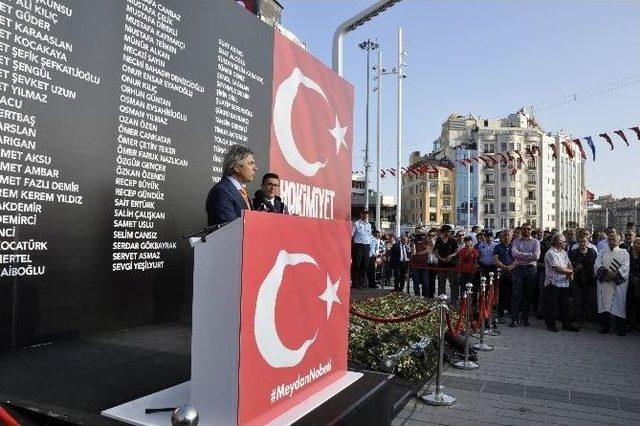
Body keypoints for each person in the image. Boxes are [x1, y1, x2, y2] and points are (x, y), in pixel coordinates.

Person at [206, 144, 257, 226]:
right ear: (236, 167)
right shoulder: (221, 192)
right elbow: (230, 229)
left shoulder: (240, 191)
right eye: (251, 163)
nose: (255, 168)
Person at [595, 233, 630, 336]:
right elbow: (597, 265)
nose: (611, 242)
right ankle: (605, 326)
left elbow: (625, 267)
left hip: (618, 284)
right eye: (609, 240)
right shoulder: (601, 252)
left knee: (619, 304)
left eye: (614, 240)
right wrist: (605, 275)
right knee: (604, 303)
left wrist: (615, 275)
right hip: (604, 282)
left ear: (619, 241)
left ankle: (620, 328)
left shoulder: (624, 253)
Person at [543, 234, 579, 332]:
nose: (565, 243)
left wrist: (571, 272)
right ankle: (551, 324)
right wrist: (571, 272)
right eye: (563, 241)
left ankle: (566, 324)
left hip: (564, 283)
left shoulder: (564, 252)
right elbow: (558, 268)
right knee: (552, 306)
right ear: (557, 242)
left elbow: (569, 264)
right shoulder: (550, 253)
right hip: (553, 283)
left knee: (566, 305)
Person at [510, 223, 540, 327]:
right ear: (521, 230)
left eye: (528, 229)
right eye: (524, 229)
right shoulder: (516, 241)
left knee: (528, 295)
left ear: (531, 230)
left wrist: (521, 255)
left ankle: (525, 318)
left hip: (531, 270)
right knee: (516, 295)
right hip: (518, 269)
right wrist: (528, 255)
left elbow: (536, 256)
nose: (526, 231)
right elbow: (514, 254)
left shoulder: (536, 242)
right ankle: (514, 318)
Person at [569, 234, 598, 324]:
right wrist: (574, 269)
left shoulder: (592, 252)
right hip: (578, 280)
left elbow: (597, 265)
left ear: (587, 242)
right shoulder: (573, 253)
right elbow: (569, 266)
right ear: (578, 242)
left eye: (584, 241)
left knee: (592, 301)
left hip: (591, 280)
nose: (582, 243)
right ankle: (578, 319)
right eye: (581, 242)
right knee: (578, 301)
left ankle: (593, 319)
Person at [493, 229, 515, 320]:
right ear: (502, 237)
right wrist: (504, 267)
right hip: (501, 273)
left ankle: (511, 310)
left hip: (512, 272)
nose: (506, 237)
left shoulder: (514, 246)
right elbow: (496, 260)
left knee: (512, 293)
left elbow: (517, 259)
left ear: (511, 236)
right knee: (501, 293)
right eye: (505, 235)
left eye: (508, 235)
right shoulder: (498, 247)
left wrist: (511, 266)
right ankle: (500, 312)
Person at [434, 225, 459, 303]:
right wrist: (441, 259)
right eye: (448, 231)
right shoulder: (439, 240)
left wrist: (451, 256)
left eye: (451, 231)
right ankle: (442, 299)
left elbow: (456, 251)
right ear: (444, 232)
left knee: (453, 283)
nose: (450, 233)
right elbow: (436, 251)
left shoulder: (453, 240)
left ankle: (454, 299)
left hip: (451, 264)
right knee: (441, 282)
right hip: (441, 264)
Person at [351, 209, 372, 289]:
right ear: (361, 214)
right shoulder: (356, 224)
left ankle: (361, 282)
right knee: (357, 264)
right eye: (364, 213)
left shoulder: (369, 225)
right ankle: (355, 282)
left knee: (365, 265)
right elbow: (352, 235)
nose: (365, 215)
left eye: (367, 214)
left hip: (366, 246)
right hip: (359, 245)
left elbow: (369, 236)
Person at [410, 228, 431, 297]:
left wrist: (417, 253)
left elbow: (427, 250)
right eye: (418, 233)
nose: (419, 235)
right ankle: (417, 296)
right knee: (416, 282)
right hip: (415, 264)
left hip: (425, 264)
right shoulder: (414, 241)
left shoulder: (427, 240)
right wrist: (413, 241)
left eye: (420, 233)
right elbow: (413, 252)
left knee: (426, 282)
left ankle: (425, 297)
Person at [457, 237, 478, 301]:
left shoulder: (474, 251)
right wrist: (459, 272)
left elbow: (476, 261)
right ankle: (462, 301)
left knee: (471, 287)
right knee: (463, 288)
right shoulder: (462, 250)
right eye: (466, 241)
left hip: (471, 272)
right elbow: (460, 261)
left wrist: (474, 270)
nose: (467, 243)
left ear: (471, 241)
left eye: (469, 241)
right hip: (463, 271)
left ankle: (470, 301)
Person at [628, 237, 640, 331]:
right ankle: (630, 323)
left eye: (638, 243)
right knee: (629, 303)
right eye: (635, 243)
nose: (636, 245)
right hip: (629, 282)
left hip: (638, 283)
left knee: (638, 304)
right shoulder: (628, 254)